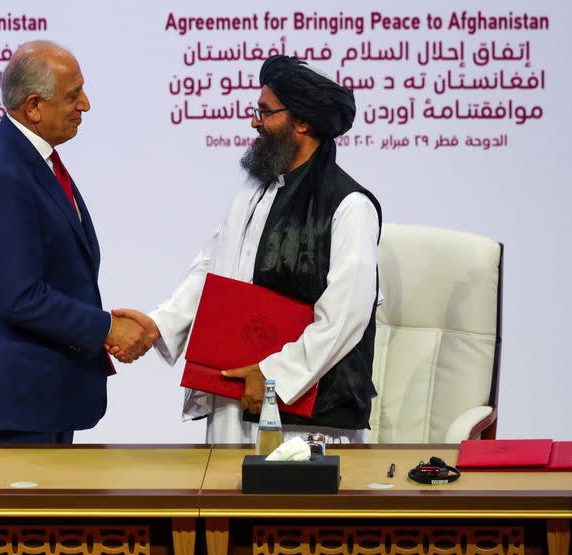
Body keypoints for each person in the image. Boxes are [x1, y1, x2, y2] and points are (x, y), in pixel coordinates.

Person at [111, 56, 381, 444]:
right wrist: (160, 325)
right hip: (235, 396)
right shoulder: (255, 189)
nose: (255, 121)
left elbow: (345, 317)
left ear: (302, 122)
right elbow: (213, 268)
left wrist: (274, 376)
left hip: (307, 418)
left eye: (265, 112)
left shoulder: (350, 206)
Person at [0, 41, 152, 444]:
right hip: (14, 407)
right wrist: (106, 328)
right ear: (33, 107)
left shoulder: (28, 159)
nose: (86, 104)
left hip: (40, 397)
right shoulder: (3, 176)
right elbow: (20, 296)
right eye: (73, 95)